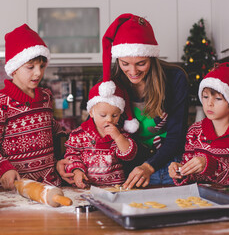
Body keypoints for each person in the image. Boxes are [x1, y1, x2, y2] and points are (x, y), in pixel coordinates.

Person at [57, 13, 189, 189]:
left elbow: (176, 135)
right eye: (125, 63)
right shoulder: (109, 83)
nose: (133, 71)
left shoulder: (175, 79)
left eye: (141, 63)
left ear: (151, 56)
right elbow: (94, 130)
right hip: (127, 168)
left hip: (169, 164)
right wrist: (67, 163)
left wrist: (149, 166)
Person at [0, 24, 68, 190]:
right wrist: (3, 168)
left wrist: (79, 134)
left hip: (49, 185)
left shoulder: (46, 97)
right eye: (30, 67)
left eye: (42, 66)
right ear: (14, 69)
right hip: (16, 188)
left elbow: (51, 128)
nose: (38, 73)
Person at [168, 62, 229, 187]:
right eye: (205, 97)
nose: (209, 103)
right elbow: (191, 174)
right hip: (200, 200)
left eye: (218, 99)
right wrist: (181, 171)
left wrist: (210, 165)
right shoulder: (194, 131)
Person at [63, 72, 138, 188]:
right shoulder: (78, 134)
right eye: (103, 115)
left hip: (115, 188)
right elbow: (71, 156)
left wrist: (118, 137)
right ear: (91, 112)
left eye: (115, 116)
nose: (109, 120)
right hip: (87, 188)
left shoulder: (120, 133)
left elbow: (129, 154)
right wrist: (77, 172)